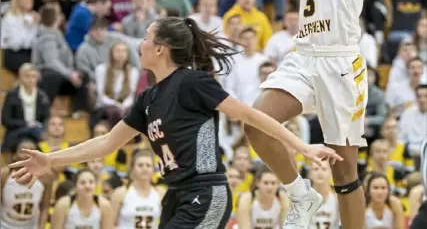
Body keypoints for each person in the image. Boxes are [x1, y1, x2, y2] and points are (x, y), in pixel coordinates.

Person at [9, 16, 341, 229]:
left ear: (161, 49)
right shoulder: (147, 98)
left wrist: (301, 146)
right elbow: (106, 143)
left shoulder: (192, 82)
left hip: (207, 192)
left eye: (145, 38)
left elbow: (251, 115)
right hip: (176, 194)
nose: (139, 44)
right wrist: (50, 159)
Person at [247, 0, 421, 229]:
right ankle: (301, 194)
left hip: (340, 67)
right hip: (304, 58)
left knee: (344, 174)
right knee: (256, 124)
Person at [1, 138, 52, 229]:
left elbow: (44, 208)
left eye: (32, 151)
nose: (27, 155)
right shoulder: (4, 175)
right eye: (23, 151)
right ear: (14, 155)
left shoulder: (45, 177)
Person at [111, 150, 163, 229]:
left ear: (153, 170)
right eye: (140, 165)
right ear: (132, 169)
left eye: (148, 165)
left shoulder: (160, 193)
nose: (145, 169)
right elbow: (110, 224)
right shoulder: (120, 193)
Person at [308, 161, 340, 229]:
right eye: (316, 169)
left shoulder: (337, 198)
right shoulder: (303, 199)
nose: (320, 172)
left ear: (331, 173)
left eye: (324, 169)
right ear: (310, 174)